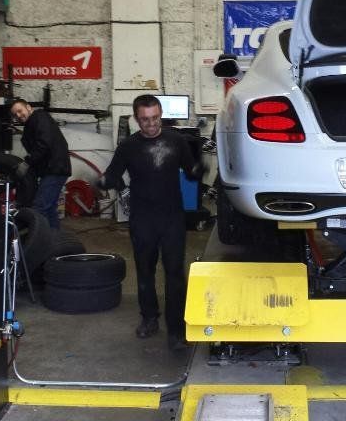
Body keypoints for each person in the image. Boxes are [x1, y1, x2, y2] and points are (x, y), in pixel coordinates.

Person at [97, 94, 202, 351]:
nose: (151, 124)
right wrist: (105, 181)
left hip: (172, 217)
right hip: (142, 218)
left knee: (175, 273)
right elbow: (112, 173)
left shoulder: (176, 141)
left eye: (155, 118)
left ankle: (176, 330)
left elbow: (191, 171)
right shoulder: (128, 146)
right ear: (136, 119)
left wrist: (199, 169)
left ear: (161, 114)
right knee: (145, 271)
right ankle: (149, 318)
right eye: (145, 120)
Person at [10, 99, 71, 231]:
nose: (18, 115)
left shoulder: (40, 117)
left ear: (28, 107)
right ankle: (54, 238)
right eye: (15, 114)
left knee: (39, 208)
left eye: (20, 111)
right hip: (53, 169)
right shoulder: (31, 124)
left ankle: (40, 240)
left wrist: (28, 162)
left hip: (55, 169)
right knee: (49, 208)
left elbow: (44, 143)